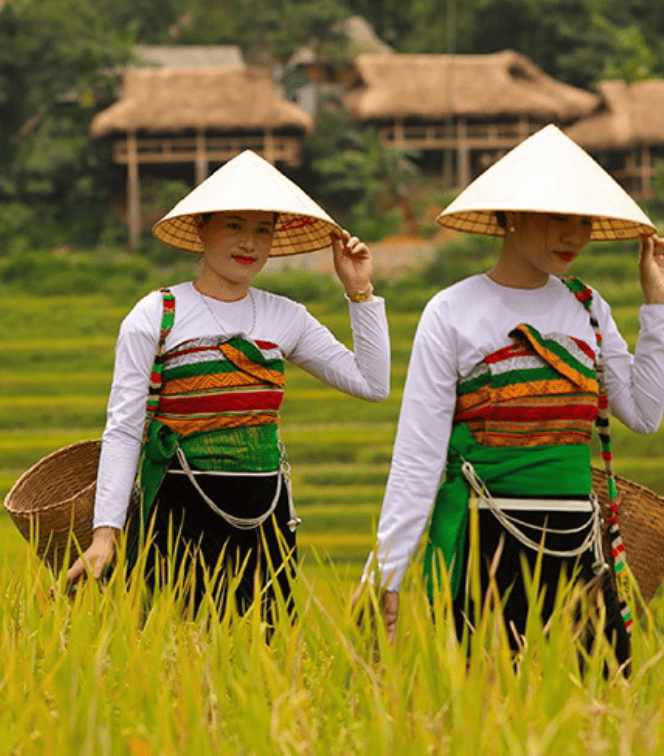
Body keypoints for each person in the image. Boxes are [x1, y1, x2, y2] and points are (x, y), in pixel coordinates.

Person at [360, 124, 664, 669]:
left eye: (583, 220)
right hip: (489, 544)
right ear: (509, 216)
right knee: (491, 703)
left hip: (579, 545)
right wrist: (387, 573)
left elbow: (644, 413)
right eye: (556, 217)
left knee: (595, 712)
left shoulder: (588, 306)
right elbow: (419, 455)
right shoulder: (452, 311)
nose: (573, 235)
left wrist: (657, 306)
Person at [66, 149, 391, 618]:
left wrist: (359, 292)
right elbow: (122, 428)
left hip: (266, 511)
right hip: (179, 509)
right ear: (202, 228)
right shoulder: (157, 313)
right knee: (176, 650)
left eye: (263, 230)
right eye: (235, 226)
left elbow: (372, 382)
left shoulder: (285, 315)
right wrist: (105, 534)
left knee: (264, 653)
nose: (250, 244)